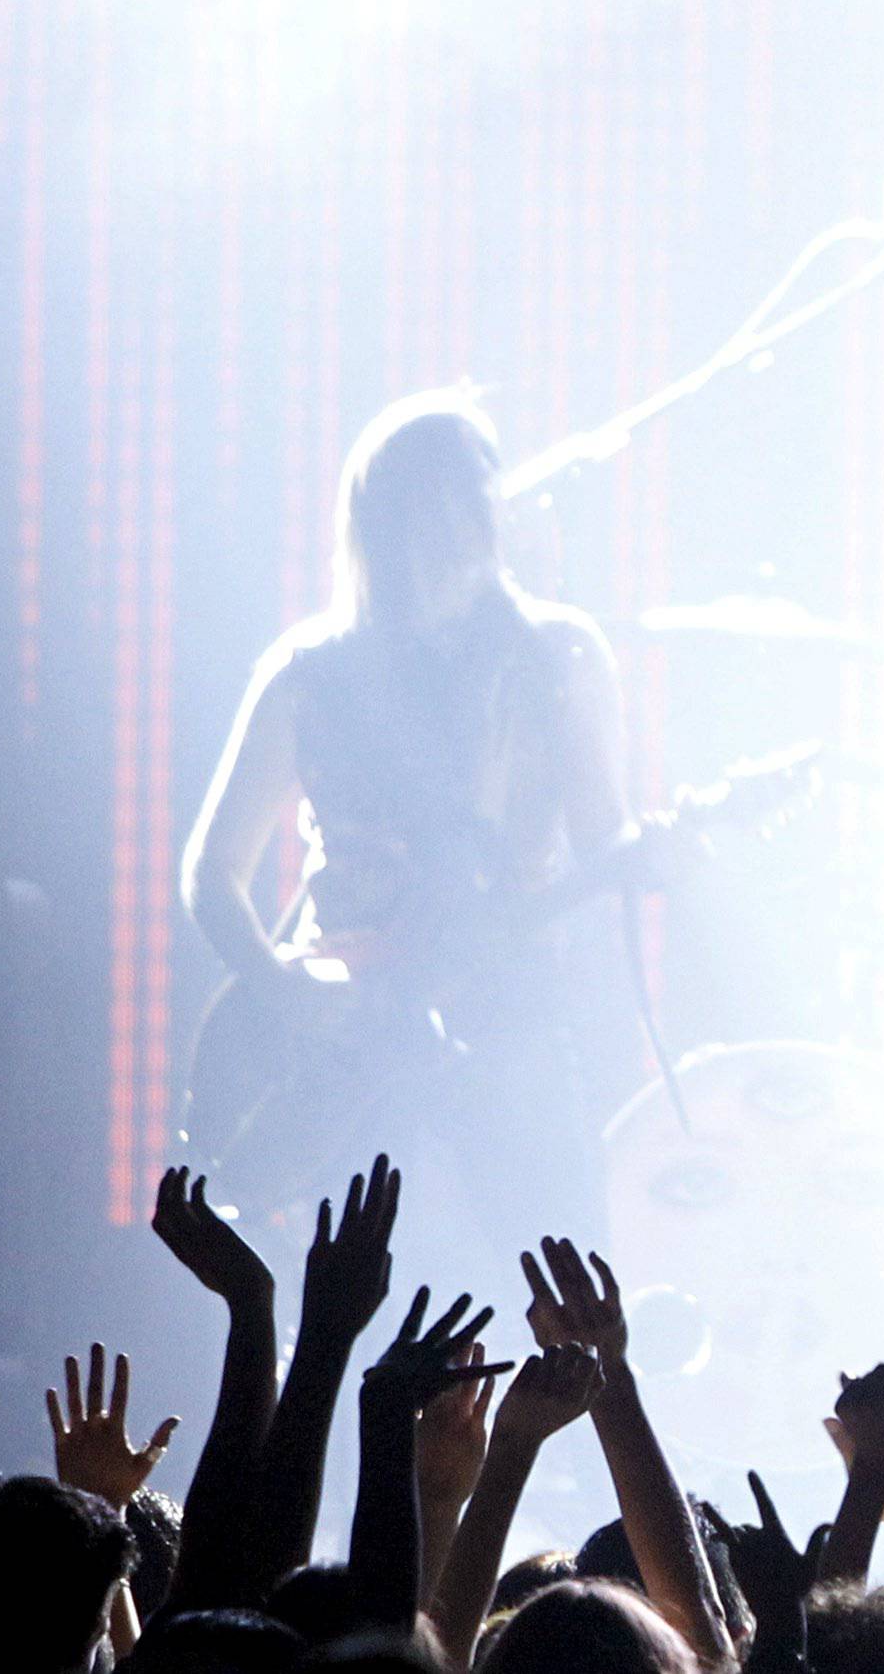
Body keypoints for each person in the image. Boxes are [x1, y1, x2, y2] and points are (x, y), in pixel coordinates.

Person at [179, 386, 637, 1256]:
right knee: (340, 1296)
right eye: (446, 487)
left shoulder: (556, 656)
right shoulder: (312, 671)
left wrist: (652, 858)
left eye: (479, 485)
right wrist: (282, 986)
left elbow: (605, 841)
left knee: (551, 1281)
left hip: (507, 1019)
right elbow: (212, 873)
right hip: (349, 1036)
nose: (473, 506)